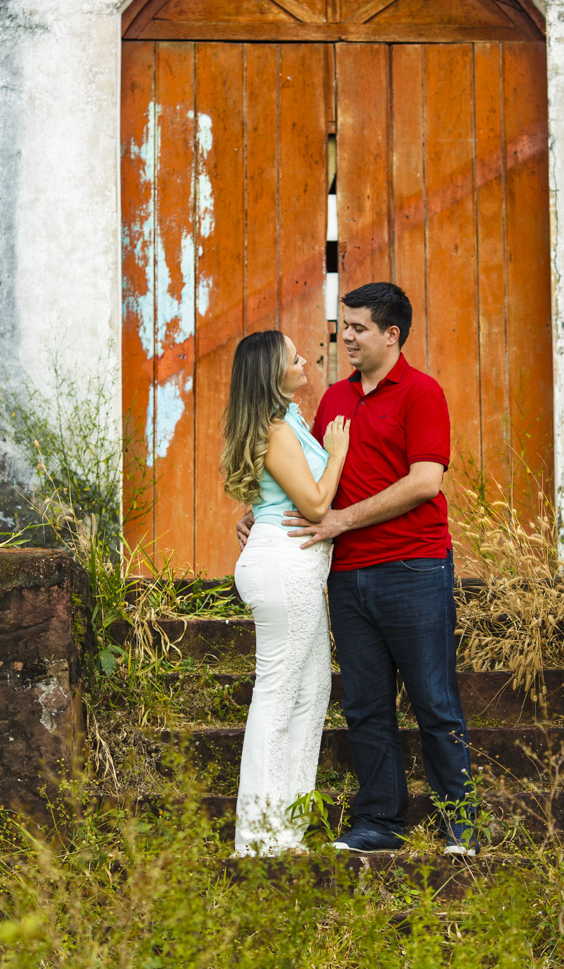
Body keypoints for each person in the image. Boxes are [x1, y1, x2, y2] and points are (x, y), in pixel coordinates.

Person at [237, 282, 477, 856]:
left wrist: (341, 521)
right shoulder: (335, 402)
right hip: (346, 576)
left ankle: (459, 824)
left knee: (433, 700)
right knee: (366, 704)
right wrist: (260, 512)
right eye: (343, 326)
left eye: (358, 328)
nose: (344, 337)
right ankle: (379, 821)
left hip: (414, 567)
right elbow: (307, 474)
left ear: (391, 334)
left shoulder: (422, 393)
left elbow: (425, 482)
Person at [221, 329, 350, 856]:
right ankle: (255, 839)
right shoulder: (276, 429)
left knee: (312, 690)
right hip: (283, 565)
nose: (305, 361)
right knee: (278, 696)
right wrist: (338, 451)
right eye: (295, 358)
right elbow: (317, 506)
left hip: (297, 567)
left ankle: (285, 831)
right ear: (273, 374)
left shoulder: (288, 421)